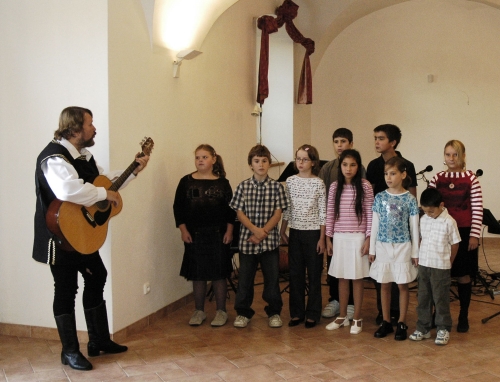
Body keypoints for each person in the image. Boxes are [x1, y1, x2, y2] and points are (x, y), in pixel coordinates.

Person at [33, 107, 149, 371]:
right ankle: (69, 352)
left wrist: (133, 170)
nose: (94, 128)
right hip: (59, 236)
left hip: (82, 235)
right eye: (90, 124)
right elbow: (68, 189)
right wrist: (102, 194)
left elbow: (104, 182)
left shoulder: (84, 156)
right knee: (65, 290)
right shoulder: (53, 157)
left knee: (97, 275)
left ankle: (98, 341)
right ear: (74, 129)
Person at [173, 144, 236, 327]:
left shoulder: (222, 183)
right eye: (198, 157)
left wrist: (229, 231)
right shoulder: (185, 181)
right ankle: (199, 310)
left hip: (218, 235)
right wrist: (183, 230)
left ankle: (221, 311)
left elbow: (231, 210)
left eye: (204, 157)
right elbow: (178, 208)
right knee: (198, 274)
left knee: (218, 274)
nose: (200, 160)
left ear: (213, 159)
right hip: (194, 235)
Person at [230, 144, 288, 328]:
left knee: (272, 279)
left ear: (269, 164)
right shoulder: (243, 186)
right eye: (257, 161)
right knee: (245, 279)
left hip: (269, 242)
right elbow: (239, 213)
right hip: (248, 242)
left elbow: (278, 213)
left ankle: (274, 312)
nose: (261, 164)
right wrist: (255, 230)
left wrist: (263, 233)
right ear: (251, 165)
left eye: (264, 161)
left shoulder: (277, 187)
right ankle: (243, 313)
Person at [428, 140, 483, 333]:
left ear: (463, 156)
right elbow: (430, 205)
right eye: (448, 154)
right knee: (441, 275)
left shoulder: (471, 178)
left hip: (464, 231)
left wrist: (474, 235)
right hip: (441, 233)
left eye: (455, 155)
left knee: (463, 274)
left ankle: (463, 315)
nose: (451, 158)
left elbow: (477, 209)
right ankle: (439, 314)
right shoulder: (437, 178)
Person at [366, 123, 417, 326]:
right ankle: (384, 315)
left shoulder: (407, 164)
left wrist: (414, 243)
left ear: (393, 142)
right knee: (384, 277)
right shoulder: (373, 166)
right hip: (382, 234)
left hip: (402, 236)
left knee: (401, 277)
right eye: (375, 138)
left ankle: (399, 314)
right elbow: (372, 200)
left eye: (381, 138)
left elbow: (412, 198)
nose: (377, 142)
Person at [324, 150, 373, 334]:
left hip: (358, 238)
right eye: (345, 165)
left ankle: (357, 317)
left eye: (353, 165)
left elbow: (370, 214)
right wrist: (328, 238)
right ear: (340, 166)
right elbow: (330, 213)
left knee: (357, 279)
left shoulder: (365, 186)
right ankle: (342, 316)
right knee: (342, 278)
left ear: (358, 166)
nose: (348, 168)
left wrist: (369, 238)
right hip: (339, 238)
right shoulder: (335, 187)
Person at [319, 128, 366, 320]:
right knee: (336, 268)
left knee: (354, 270)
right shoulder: (327, 168)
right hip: (336, 231)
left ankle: (353, 305)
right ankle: (336, 300)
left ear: (351, 144)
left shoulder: (359, 169)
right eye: (336, 141)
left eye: (343, 141)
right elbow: (325, 201)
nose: (340, 145)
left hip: (355, 230)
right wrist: (327, 235)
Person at [280, 145, 326, 329]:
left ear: (313, 162)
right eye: (298, 158)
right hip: (295, 232)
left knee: (314, 275)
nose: (300, 162)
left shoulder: (318, 183)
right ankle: (297, 313)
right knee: (296, 274)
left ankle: (313, 313)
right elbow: (287, 208)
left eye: (305, 159)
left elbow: (323, 212)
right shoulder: (290, 181)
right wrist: (283, 229)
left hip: (314, 233)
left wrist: (322, 238)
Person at [409, 188, 460, 345]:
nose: (429, 213)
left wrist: (449, 261)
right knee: (423, 297)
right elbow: (420, 239)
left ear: (441, 205)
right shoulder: (424, 219)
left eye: (432, 211)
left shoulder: (449, 222)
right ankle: (423, 327)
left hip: (440, 266)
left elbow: (455, 243)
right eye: (426, 211)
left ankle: (443, 328)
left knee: (440, 298)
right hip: (424, 264)